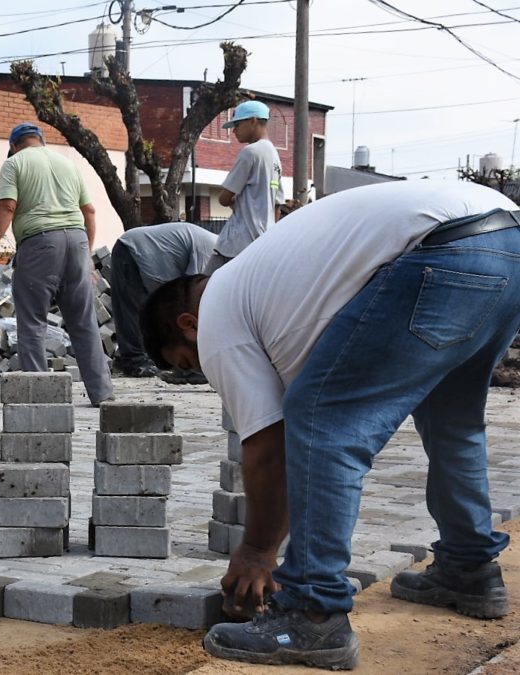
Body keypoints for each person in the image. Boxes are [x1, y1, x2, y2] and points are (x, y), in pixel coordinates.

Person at [140, 180, 519, 670]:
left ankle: (312, 612)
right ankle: (469, 569)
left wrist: (257, 550)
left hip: (442, 252)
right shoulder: (266, 284)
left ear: (188, 325)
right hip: (506, 242)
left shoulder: (217, 313)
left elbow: (270, 444)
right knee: (452, 421)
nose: (204, 371)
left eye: (188, 363)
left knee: (322, 419)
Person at [0, 122, 113, 406]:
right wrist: (86, 257)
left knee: (32, 323)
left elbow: (7, 206)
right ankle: (102, 394)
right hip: (77, 242)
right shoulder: (68, 164)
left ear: (13, 146)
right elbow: (89, 211)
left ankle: (42, 400)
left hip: (40, 244)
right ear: (41, 141)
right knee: (84, 322)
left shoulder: (14, 163)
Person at [109, 222, 216, 378]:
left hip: (148, 256)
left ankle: (129, 356)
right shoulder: (211, 249)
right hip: (132, 250)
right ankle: (134, 361)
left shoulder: (217, 252)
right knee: (130, 310)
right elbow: (191, 295)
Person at [205, 99, 283, 274]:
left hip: (237, 242)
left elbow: (224, 198)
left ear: (253, 121)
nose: (234, 131)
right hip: (263, 242)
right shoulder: (274, 156)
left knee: (205, 285)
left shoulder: (250, 152)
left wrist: (235, 202)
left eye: (237, 125)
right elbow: (277, 206)